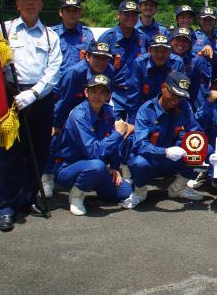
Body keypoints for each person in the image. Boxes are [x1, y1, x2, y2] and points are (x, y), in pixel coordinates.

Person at [0, 0, 62, 232]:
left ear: (41, 3)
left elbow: (54, 69)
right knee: (10, 153)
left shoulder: (50, 36)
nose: (30, 2)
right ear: (17, 3)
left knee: (38, 151)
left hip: (40, 98)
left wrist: (34, 93)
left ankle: (26, 198)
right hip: (11, 96)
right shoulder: (5, 30)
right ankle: (6, 206)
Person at [50, 74, 138, 215]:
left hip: (96, 166)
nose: (98, 96)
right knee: (97, 165)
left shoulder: (109, 112)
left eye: (102, 92)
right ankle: (76, 195)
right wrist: (118, 134)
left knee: (125, 192)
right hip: (69, 167)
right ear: (86, 92)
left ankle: (94, 186)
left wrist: (115, 168)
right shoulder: (79, 115)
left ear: (108, 95)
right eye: (93, 91)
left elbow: (114, 144)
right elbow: (93, 151)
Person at [125, 72, 206, 202]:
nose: (176, 100)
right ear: (163, 87)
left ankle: (178, 188)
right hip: (152, 160)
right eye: (174, 94)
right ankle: (139, 193)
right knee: (137, 162)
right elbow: (139, 145)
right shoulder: (146, 110)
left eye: (180, 96)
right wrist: (165, 152)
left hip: (176, 160)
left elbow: (196, 133)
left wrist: (207, 153)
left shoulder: (184, 106)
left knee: (207, 151)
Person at [98, 0, 150, 119]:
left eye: (134, 14)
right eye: (127, 14)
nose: (131, 18)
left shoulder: (143, 38)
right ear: (118, 15)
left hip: (137, 94)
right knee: (113, 130)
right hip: (114, 94)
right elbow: (96, 67)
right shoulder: (108, 37)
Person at [125, 34, 185, 123]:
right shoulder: (140, 64)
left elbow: (181, 95)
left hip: (169, 113)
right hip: (144, 112)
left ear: (170, 51)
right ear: (149, 50)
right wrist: (132, 122)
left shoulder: (177, 63)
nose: (160, 55)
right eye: (156, 50)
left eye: (164, 51)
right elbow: (133, 96)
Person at [50, 0, 95, 76]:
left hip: (79, 83)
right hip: (56, 83)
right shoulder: (52, 34)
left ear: (80, 14)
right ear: (61, 13)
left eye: (74, 11)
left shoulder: (87, 34)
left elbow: (93, 59)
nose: (71, 14)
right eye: (68, 11)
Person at [170, 27, 211, 109]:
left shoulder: (195, 61)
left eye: (185, 41)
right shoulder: (164, 57)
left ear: (190, 45)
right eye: (178, 39)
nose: (181, 43)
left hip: (185, 104)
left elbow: (194, 90)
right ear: (171, 41)